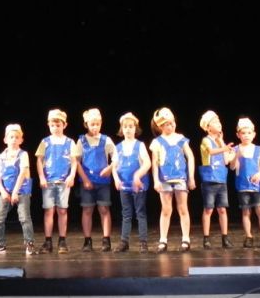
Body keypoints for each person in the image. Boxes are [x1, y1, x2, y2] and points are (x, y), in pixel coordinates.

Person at [149, 107, 196, 253]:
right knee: (166, 209)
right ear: (160, 126)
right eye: (167, 124)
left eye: (172, 122)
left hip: (180, 178)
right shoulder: (157, 142)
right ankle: (163, 240)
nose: (171, 125)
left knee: (183, 208)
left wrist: (191, 177)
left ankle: (186, 239)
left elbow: (190, 157)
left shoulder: (181, 139)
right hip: (164, 179)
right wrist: (156, 180)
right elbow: (155, 163)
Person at [35, 108, 78, 254]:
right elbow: (39, 160)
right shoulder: (45, 142)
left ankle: (62, 240)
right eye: (52, 125)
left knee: (62, 210)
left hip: (63, 182)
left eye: (58, 125)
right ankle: (48, 241)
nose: (55, 128)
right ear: (49, 125)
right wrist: (41, 177)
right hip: (48, 181)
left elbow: (74, 161)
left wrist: (72, 175)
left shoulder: (70, 142)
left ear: (64, 125)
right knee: (49, 211)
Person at [0, 124, 35, 255]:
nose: (14, 139)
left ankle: (29, 244)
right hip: (6, 191)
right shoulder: (1, 156)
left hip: (21, 190)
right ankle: (0, 246)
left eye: (17, 137)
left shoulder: (23, 154)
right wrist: (3, 192)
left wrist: (15, 192)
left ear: (21, 140)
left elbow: (22, 173)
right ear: (5, 139)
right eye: (11, 137)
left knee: (24, 217)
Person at [76, 108, 115, 252]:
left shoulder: (106, 140)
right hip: (87, 181)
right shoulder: (81, 141)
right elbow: (76, 162)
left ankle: (106, 240)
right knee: (87, 209)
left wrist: (110, 168)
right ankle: (87, 240)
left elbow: (117, 157)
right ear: (87, 124)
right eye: (92, 124)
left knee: (104, 209)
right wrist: (85, 179)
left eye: (97, 124)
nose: (95, 127)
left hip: (103, 181)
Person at [112, 112, 151, 253]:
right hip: (124, 185)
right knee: (126, 214)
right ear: (121, 129)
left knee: (140, 213)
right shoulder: (117, 147)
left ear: (136, 128)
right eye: (125, 127)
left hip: (138, 186)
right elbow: (114, 166)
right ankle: (124, 241)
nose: (128, 129)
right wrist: (116, 179)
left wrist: (138, 176)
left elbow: (147, 163)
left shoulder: (140, 145)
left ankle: (143, 242)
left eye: (131, 126)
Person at [198, 110, 235, 249]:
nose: (218, 124)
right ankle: (206, 238)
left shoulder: (221, 142)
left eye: (218, 121)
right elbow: (211, 152)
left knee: (222, 210)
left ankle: (225, 238)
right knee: (208, 209)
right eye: (214, 122)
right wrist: (224, 148)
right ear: (208, 127)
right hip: (209, 179)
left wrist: (225, 147)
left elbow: (225, 161)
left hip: (221, 180)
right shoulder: (206, 140)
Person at [233, 117, 260, 248]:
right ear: (238, 135)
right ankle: (249, 236)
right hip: (243, 185)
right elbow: (232, 166)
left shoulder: (258, 149)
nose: (246, 135)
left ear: (254, 134)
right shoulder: (235, 149)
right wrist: (236, 156)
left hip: (258, 185)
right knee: (246, 211)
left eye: (249, 133)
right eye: (243, 133)